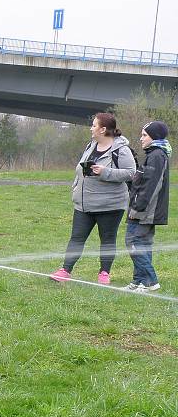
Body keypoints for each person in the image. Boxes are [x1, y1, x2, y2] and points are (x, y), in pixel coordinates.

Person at [50, 113, 137, 285]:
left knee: (107, 239)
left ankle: (104, 273)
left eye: (94, 125)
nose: (91, 128)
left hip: (110, 205)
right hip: (84, 204)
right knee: (76, 238)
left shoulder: (121, 150)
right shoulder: (91, 145)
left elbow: (131, 173)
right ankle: (65, 271)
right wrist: (76, 187)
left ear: (103, 129)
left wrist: (105, 171)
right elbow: (79, 170)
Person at [123, 120, 171, 292]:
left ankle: (151, 281)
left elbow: (151, 186)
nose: (141, 138)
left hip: (144, 212)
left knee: (134, 242)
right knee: (142, 245)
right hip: (143, 210)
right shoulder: (153, 154)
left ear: (154, 137)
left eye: (144, 135)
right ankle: (138, 282)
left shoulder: (157, 155)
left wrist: (136, 208)